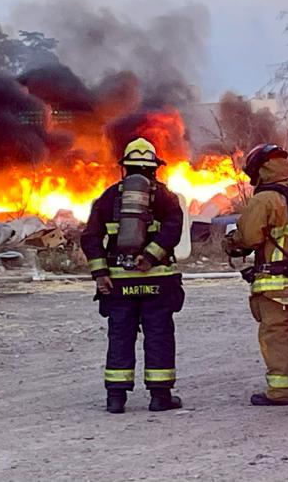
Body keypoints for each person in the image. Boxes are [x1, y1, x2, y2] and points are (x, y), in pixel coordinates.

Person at [80, 137, 185, 414]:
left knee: (120, 336)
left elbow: (90, 238)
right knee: (159, 335)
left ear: (124, 168)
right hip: (157, 281)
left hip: (118, 283)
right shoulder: (165, 197)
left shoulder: (108, 197)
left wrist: (101, 273)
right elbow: (172, 232)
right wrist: (149, 257)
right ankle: (160, 397)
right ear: (154, 168)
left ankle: (116, 398)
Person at [226, 143, 288, 406]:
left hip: (275, 283)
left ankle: (280, 391)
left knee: (276, 334)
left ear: (260, 170)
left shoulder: (265, 199)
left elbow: (249, 238)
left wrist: (231, 243)